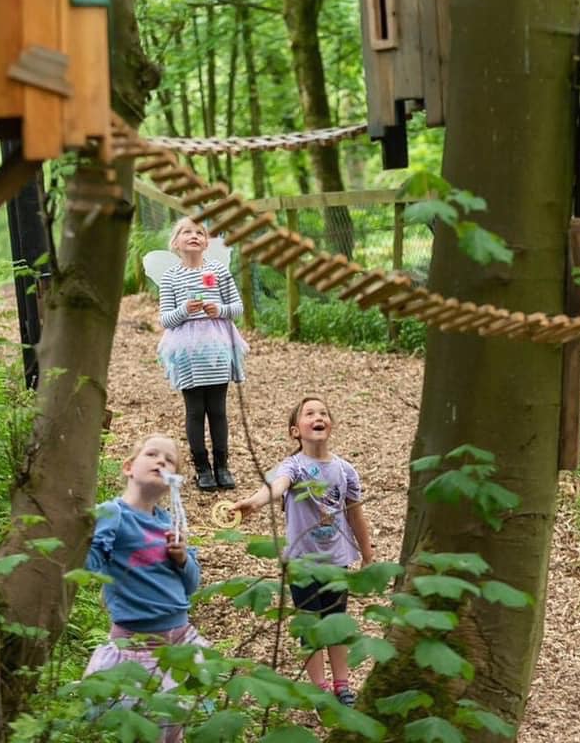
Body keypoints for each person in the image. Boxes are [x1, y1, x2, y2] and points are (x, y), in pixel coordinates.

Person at [232, 396, 374, 707]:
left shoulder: (345, 470)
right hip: (302, 562)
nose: (318, 416)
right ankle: (319, 687)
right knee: (309, 623)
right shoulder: (294, 466)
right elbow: (277, 486)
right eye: (309, 413)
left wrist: (367, 554)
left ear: (330, 425)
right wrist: (252, 504)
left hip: (337, 559)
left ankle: (342, 684)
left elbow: (355, 514)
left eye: (323, 412)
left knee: (336, 620)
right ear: (296, 431)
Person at [84, 433, 207, 742]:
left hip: (178, 638)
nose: (161, 461)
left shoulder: (171, 522)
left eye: (169, 460)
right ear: (128, 467)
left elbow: (191, 586)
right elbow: (91, 567)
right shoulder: (113, 513)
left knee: (174, 721)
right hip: (135, 644)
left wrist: (182, 560)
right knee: (140, 726)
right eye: (152, 454)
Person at [157, 217, 247, 492]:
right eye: (186, 232)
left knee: (217, 409)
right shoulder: (170, 277)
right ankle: (202, 468)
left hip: (217, 347)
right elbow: (165, 319)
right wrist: (185, 310)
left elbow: (237, 307)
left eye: (199, 232)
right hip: (186, 351)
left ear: (206, 242)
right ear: (176, 243)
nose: (193, 236)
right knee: (195, 409)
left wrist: (218, 309)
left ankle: (222, 465)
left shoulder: (219, 271)